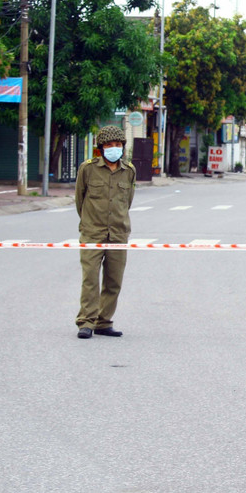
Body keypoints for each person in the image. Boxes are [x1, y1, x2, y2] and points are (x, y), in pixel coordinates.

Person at [75, 125, 136, 339]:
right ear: (101, 148)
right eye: (109, 145)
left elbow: (127, 202)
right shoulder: (87, 169)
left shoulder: (129, 171)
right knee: (90, 279)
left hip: (118, 234)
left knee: (114, 280)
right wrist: (90, 223)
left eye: (118, 144)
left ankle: (103, 321)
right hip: (92, 234)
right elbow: (80, 201)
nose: (114, 148)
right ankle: (86, 321)